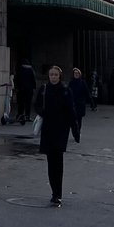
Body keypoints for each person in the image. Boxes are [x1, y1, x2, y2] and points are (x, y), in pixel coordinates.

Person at [34, 65, 80, 207]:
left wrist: (75, 130)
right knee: (50, 162)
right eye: (51, 75)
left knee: (58, 162)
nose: (53, 77)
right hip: (48, 129)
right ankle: (54, 192)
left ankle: (57, 194)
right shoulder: (44, 89)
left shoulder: (65, 90)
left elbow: (71, 111)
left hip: (60, 130)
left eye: (55, 75)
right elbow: (36, 105)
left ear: (60, 76)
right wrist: (42, 111)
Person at [69, 67, 91, 132]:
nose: (76, 74)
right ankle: (75, 130)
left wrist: (90, 102)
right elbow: (68, 92)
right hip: (73, 103)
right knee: (73, 118)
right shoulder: (71, 83)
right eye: (75, 73)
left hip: (80, 103)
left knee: (79, 119)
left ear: (79, 74)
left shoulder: (82, 82)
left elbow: (87, 92)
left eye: (77, 73)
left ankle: (78, 131)